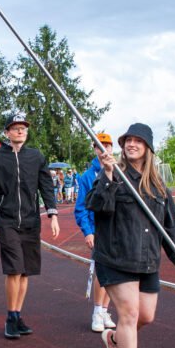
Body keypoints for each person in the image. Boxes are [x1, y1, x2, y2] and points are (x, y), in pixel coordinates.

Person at [86, 123, 175, 348]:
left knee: (146, 316)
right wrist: (108, 174)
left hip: (147, 260)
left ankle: (113, 339)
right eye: (128, 140)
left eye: (138, 141)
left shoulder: (157, 184)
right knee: (129, 314)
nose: (131, 144)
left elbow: (170, 225)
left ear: (148, 148)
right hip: (116, 257)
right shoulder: (112, 174)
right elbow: (99, 207)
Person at [0, 114, 59, 339]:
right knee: (14, 269)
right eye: (15, 128)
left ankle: (17, 314)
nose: (20, 131)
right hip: (5, 220)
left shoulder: (36, 157)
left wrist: (52, 215)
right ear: (7, 132)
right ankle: (10, 317)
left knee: (25, 272)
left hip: (30, 221)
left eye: (23, 128)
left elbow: (46, 186)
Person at [74, 133, 117, 333]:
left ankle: (105, 309)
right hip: (97, 229)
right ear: (95, 149)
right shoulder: (87, 176)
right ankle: (97, 311)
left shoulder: (120, 170)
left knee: (114, 272)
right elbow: (81, 207)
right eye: (100, 146)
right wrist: (88, 232)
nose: (103, 150)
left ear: (111, 148)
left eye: (107, 146)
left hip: (117, 229)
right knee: (102, 272)